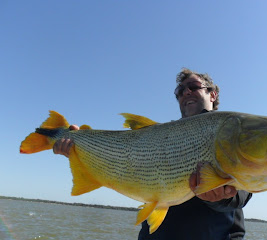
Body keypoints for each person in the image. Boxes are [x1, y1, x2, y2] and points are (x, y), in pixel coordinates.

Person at [53, 68, 252, 240]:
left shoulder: (230, 130)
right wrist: (79, 149)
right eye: (180, 91)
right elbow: (121, 161)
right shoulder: (161, 136)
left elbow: (246, 186)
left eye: (193, 86)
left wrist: (222, 197)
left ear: (213, 94)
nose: (186, 92)